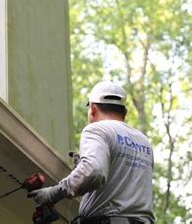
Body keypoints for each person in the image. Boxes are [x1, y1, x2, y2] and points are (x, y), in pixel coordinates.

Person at [28, 81, 156, 224]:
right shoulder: (144, 141)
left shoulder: (96, 130)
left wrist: (54, 193)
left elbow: (94, 171)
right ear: (124, 113)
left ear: (93, 109)